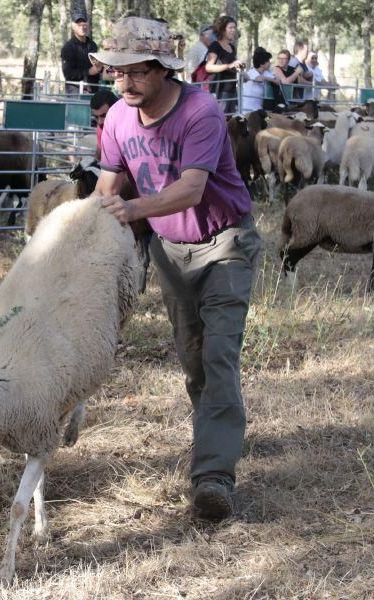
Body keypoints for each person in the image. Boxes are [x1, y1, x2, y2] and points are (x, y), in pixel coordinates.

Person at [87, 16, 261, 521]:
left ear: (164, 69)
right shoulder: (118, 118)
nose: (126, 83)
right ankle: (215, 437)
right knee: (194, 360)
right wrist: (92, 228)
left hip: (224, 241)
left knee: (220, 355)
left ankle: (213, 479)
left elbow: (191, 189)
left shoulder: (200, 112)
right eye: (117, 74)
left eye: (137, 72)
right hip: (170, 249)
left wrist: (133, 211)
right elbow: (109, 184)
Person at [204, 15, 245, 114]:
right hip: (220, 92)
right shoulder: (215, 46)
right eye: (230, 28)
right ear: (222, 30)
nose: (233, 30)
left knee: (233, 121)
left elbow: (231, 66)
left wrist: (240, 68)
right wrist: (229, 65)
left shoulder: (232, 47)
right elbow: (208, 67)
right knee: (221, 120)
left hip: (233, 90)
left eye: (234, 28)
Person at [61, 10, 101, 95]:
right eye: (79, 25)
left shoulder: (93, 45)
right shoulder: (68, 48)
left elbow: (97, 67)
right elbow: (68, 74)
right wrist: (88, 72)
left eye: (84, 25)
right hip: (75, 92)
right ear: (73, 27)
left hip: (93, 89)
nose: (82, 27)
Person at [241, 48, 275, 113]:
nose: (270, 63)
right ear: (262, 64)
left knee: (267, 120)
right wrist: (268, 79)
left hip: (259, 109)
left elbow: (276, 80)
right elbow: (258, 79)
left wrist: (273, 79)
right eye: (268, 61)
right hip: (247, 110)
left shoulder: (266, 72)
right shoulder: (252, 71)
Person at [90, 88, 119, 160]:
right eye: (96, 117)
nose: (100, 122)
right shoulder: (101, 127)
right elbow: (99, 154)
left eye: (104, 115)